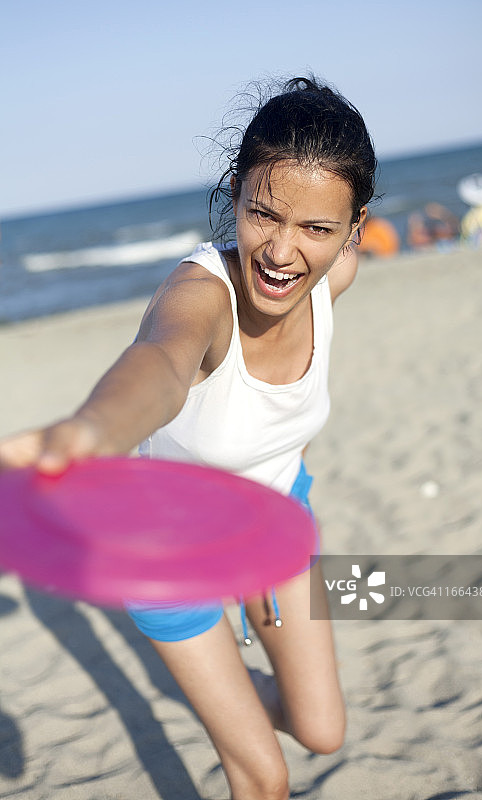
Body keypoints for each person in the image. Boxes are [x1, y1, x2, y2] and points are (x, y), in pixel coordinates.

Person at [0, 76, 377, 800]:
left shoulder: (335, 282)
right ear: (234, 191)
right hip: (164, 553)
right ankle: (225, 704)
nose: (283, 252)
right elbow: (161, 366)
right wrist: (90, 431)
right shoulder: (198, 296)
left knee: (320, 729)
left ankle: (226, 692)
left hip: (268, 525)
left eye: (318, 230)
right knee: (262, 774)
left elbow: (273, 415)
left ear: (353, 228)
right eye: (264, 214)